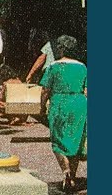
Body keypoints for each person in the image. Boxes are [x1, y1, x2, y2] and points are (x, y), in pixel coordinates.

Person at [40, 35, 87, 192]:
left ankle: (65, 171)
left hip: (60, 104)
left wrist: (41, 107)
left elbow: (45, 90)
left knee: (58, 140)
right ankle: (72, 177)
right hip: (79, 104)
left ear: (60, 49)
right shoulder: (82, 67)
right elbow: (87, 91)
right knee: (76, 139)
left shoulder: (53, 67)